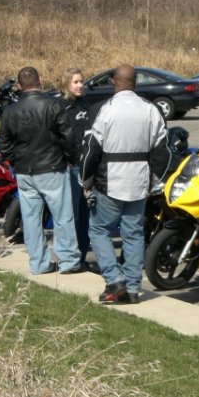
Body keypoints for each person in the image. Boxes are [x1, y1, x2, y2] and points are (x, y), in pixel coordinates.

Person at [82, 64, 171, 304]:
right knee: (133, 234)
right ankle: (132, 288)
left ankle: (114, 280)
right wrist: (154, 180)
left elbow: (91, 149)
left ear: (114, 81)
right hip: (139, 181)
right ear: (135, 83)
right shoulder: (150, 110)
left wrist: (86, 179)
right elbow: (162, 151)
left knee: (99, 230)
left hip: (110, 181)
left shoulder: (106, 110)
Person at [0, 66, 84, 275]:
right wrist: (71, 160)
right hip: (52, 168)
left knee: (31, 219)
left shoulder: (10, 111)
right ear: (40, 81)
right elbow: (68, 137)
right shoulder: (52, 104)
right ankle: (68, 261)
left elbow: (4, 144)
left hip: (25, 171)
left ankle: (38, 263)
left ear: (19, 86)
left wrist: (16, 161)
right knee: (63, 216)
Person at [60, 67, 92, 270]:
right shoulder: (60, 106)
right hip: (70, 169)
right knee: (72, 215)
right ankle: (70, 259)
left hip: (87, 167)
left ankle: (81, 257)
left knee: (85, 215)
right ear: (67, 84)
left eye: (82, 81)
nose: (80, 85)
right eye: (76, 82)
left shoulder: (86, 104)